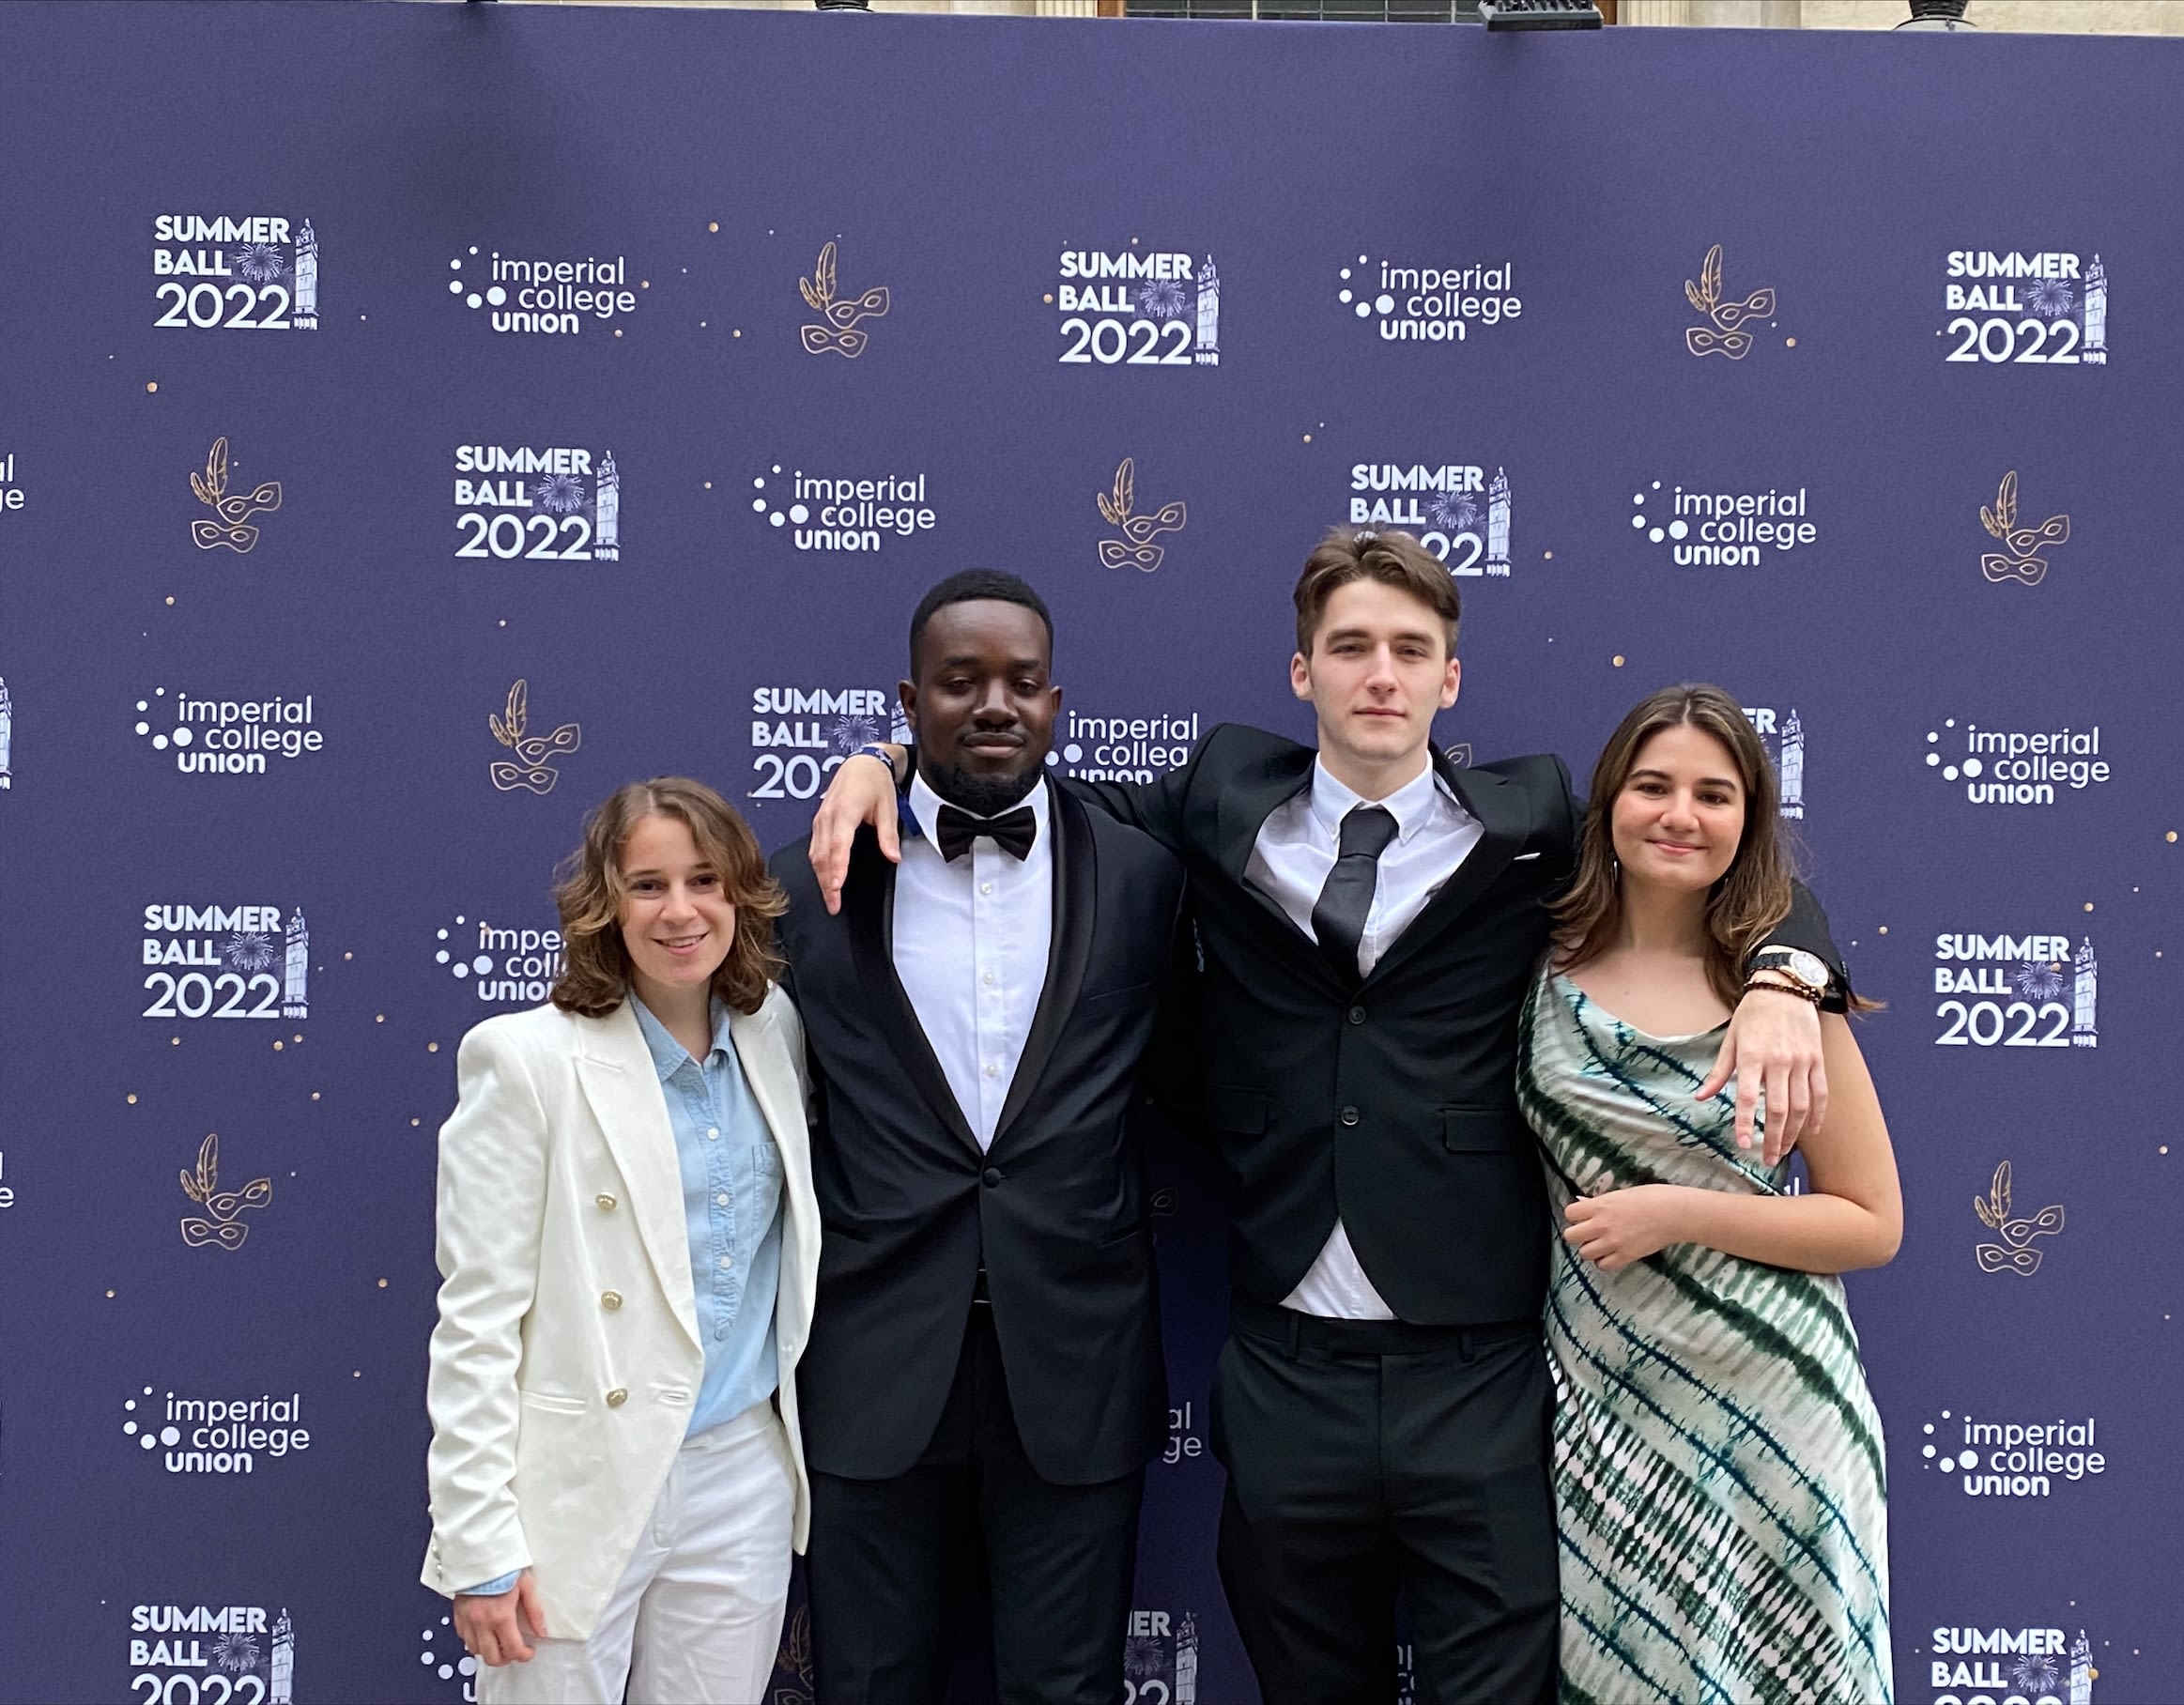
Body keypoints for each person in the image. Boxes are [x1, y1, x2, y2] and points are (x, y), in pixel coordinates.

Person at [807, 530, 1847, 1704]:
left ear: (1449, 677)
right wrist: (884, 760)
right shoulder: (1217, 793)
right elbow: (1024, 795)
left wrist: (1786, 972)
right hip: (1284, 1371)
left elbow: (1701, 851)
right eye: (1349, 647)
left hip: (1479, 1371)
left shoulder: (1530, 819)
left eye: (1409, 649)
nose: (1379, 675)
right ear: (1302, 671)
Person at [769, 570, 1185, 1705]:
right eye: (960, 682)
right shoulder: (806, 882)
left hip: (1076, 1366)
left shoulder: (1144, 873)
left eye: (1020, 682)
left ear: (1055, 703)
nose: (994, 703)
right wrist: (874, 766)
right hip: (868, 1364)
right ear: (909, 703)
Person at [1516, 684, 1899, 1705]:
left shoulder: (1782, 997)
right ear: (1606, 802)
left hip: (1779, 1405)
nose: (1679, 815)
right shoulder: (1537, 965)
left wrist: (1676, 1213)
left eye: (1713, 795)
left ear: (1749, 819)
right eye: (1652, 786)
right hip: (1608, 1406)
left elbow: (1870, 1221)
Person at [422, 777, 819, 1705]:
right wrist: (479, 1544)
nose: (680, 910)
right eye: (648, 885)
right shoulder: (525, 1059)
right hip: (575, 1481)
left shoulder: (776, 1031)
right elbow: (477, 1320)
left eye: (704, 880)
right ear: (605, 902)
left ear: (740, 894)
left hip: (741, 1471)